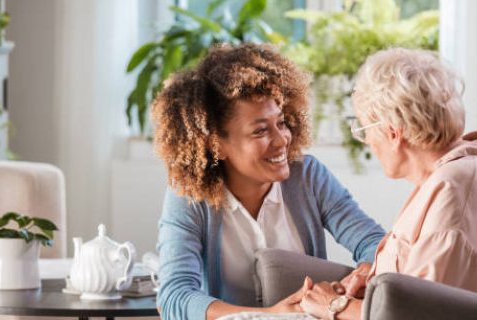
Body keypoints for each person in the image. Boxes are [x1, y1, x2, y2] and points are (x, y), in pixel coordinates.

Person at [298, 48, 477, 319]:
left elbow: (420, 312)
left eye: (363, 130)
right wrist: (373, 279)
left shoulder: (457, 190)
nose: (368, 142)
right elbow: (423, 283)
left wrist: (335, 307)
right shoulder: (465, 170)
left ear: (392, 133)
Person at [151, 43, 386, 320]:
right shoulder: (189, 196)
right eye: (260, 130)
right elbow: (174, 297)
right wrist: (268, 315)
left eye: (282, 122)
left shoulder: (308, 177)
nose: (281, 140)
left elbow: (374, 243)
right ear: (216, 145)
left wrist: (361, 274)